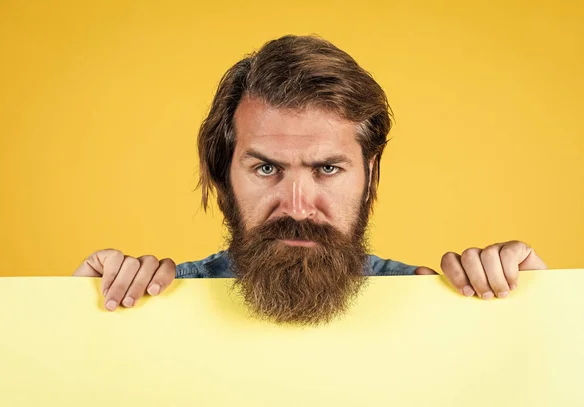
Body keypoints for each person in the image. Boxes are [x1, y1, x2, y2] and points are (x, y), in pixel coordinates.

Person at [74, 34, 547, 325]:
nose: (298, 207)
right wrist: (76, 318)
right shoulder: (158, 307)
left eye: (326, 168)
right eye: (266, 168)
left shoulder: (432, 305)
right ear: (223, 175)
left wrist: (537, 312)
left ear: (368, 175)